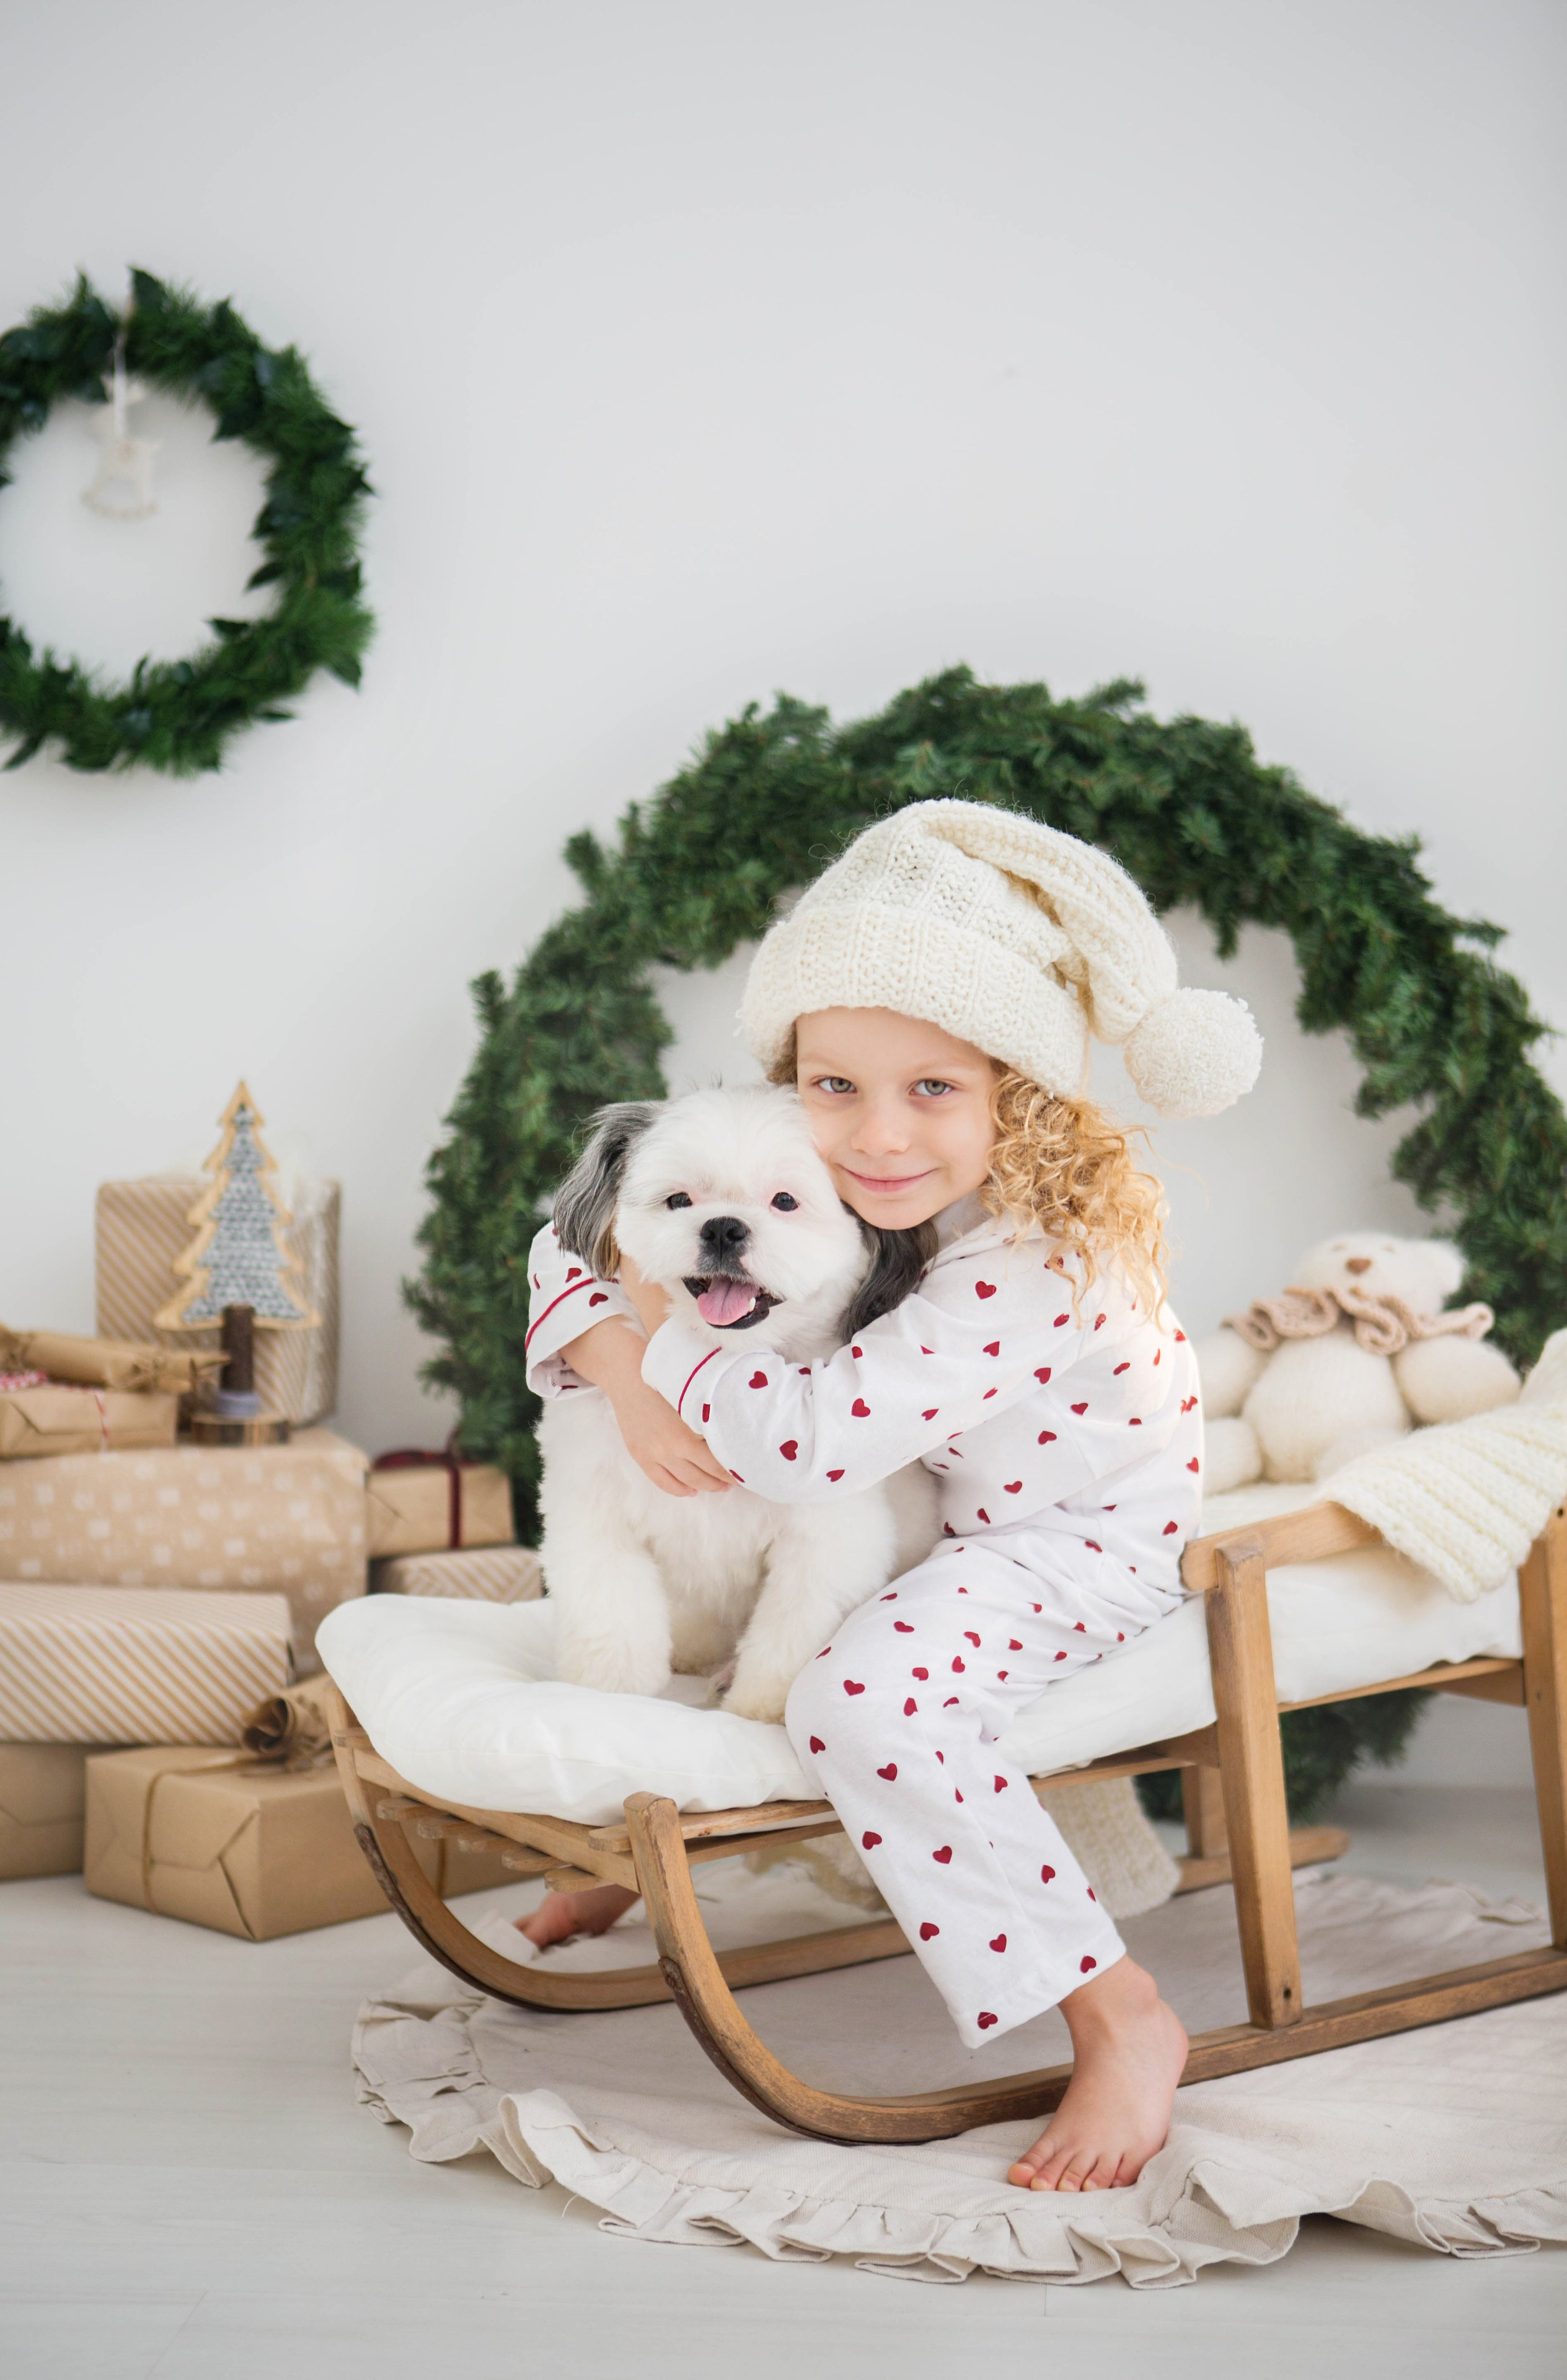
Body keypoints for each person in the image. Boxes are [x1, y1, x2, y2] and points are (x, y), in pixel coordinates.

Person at [519, 798, 1262, 2194]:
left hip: (1068, 1547)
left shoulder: (1026, 1262)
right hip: (944, 1511)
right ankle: (641, 1853)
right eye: (832, 1084)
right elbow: (572, 1240)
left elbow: (804, 1447)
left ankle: (1119, 2015)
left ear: (1015, 1097)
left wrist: (637, 1336)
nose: (873, 1133)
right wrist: (617, 1368)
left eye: (932, 1089)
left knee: (855, 1699)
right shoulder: (841, 1189)